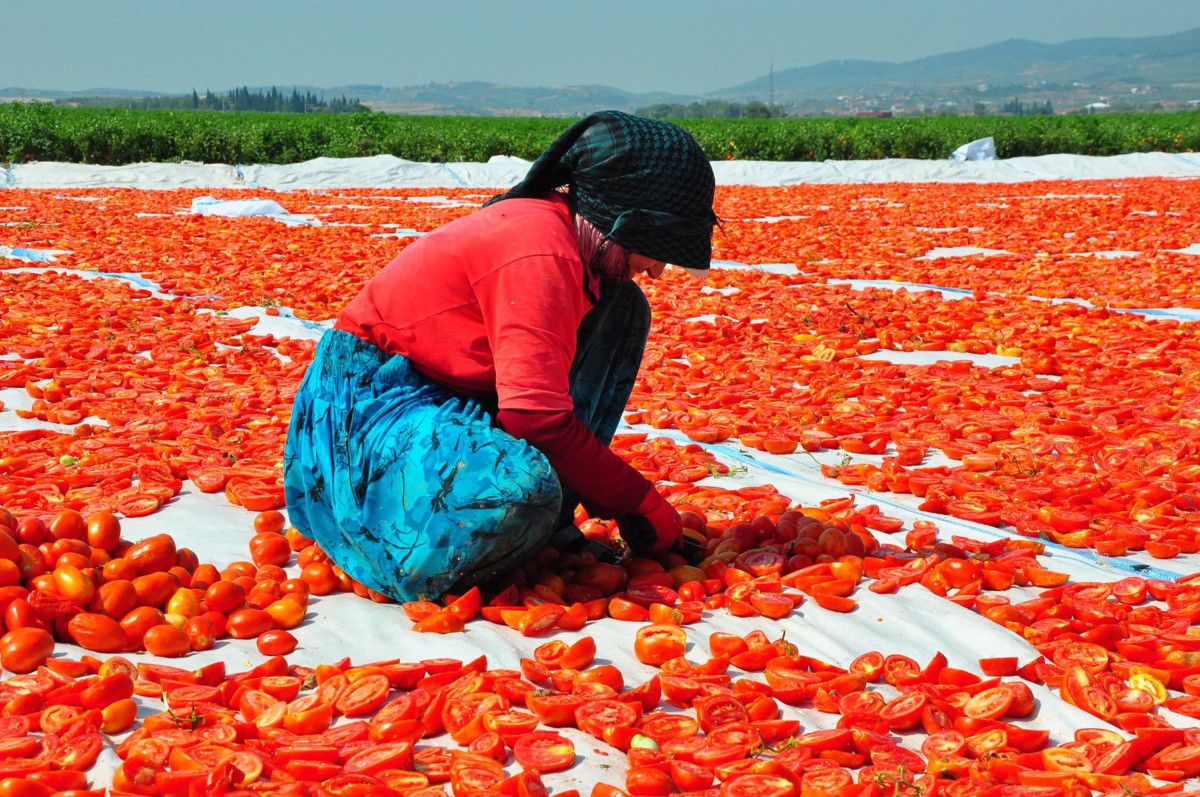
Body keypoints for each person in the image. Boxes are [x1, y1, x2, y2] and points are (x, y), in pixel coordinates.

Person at [283, 110, 718, 602]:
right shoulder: (540, 251)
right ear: (618, 219)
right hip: (372, 399)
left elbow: (539, 406)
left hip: (447, 391)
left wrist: (618, 498)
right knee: (519, 491)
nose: (658, 270)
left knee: (623, 310)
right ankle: (402, 546)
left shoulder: (570, 240)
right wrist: (636, 500)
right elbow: (535, 419)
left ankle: (544, 530)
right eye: (654, 251)